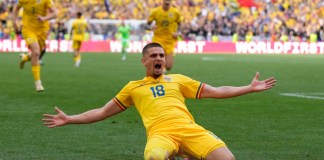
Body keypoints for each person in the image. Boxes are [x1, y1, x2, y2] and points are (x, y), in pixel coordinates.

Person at [42, 43, 277, 160]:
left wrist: (248, 88)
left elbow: (216, 91)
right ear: (143, 61)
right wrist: (70, 118)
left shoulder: (178, 79)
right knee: (154, 157)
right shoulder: (133, 88)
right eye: (154, 56)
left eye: (162, 56)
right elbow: (102, 112)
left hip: (190, 130)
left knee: (228, 159)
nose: (159, 59)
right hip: (160, 134)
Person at [12, 0, 58, 92]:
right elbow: (16, 8)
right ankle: (38, 83)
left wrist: (44, 18)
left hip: (42, 31)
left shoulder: (46, 0)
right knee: (36, 52)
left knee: (35, 54)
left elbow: (55, 14)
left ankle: (25, 58)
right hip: (28, 30)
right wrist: (14, 22)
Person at [145, 0, 181, 71]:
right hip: (158, 39)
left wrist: (177, 32)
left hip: (169, 41)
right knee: (157, 61)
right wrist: (150, 27)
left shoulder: (175, 12)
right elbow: (146, 25)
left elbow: (179, 24)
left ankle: (162, 70)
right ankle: (158, 74)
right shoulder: (156, 11)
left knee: (168, 67)